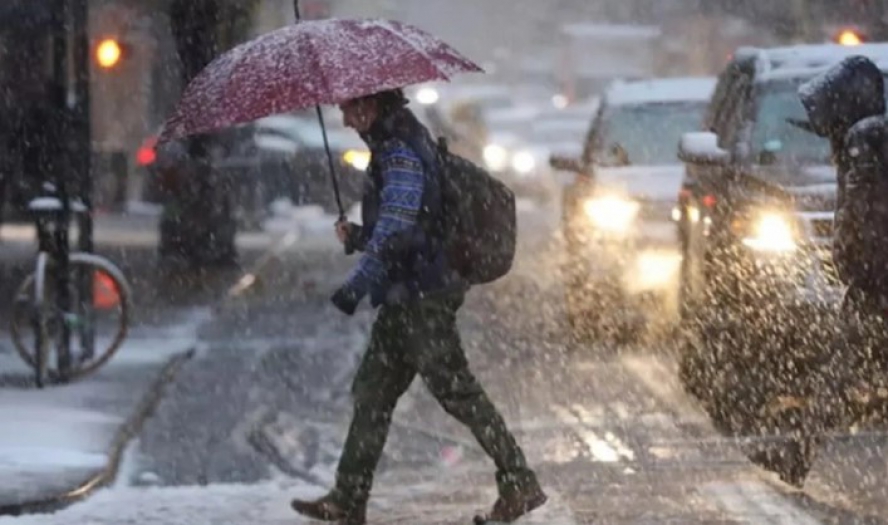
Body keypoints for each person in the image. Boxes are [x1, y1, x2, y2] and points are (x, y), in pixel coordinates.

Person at [290, 89, 546, 524]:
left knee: (457, 391)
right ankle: (348, 499)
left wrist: (356, 285)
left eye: (350, 109)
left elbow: (397, 229)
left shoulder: (400, 152)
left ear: (371, 105)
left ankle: (519, 481)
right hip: (406, 294)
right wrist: (356, 237)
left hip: (423, 297)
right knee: (372, 392)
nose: (346, 120)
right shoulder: (397, 143)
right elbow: (403, 225)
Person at [754, 55, 888, 487]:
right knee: (839, 371)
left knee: (840, 372)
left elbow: (863, 218)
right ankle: (798, 454)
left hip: (876, 282)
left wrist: (855, 266)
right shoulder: (870, 135)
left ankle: (799, 455)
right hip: (875, 280)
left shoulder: (866, 139)